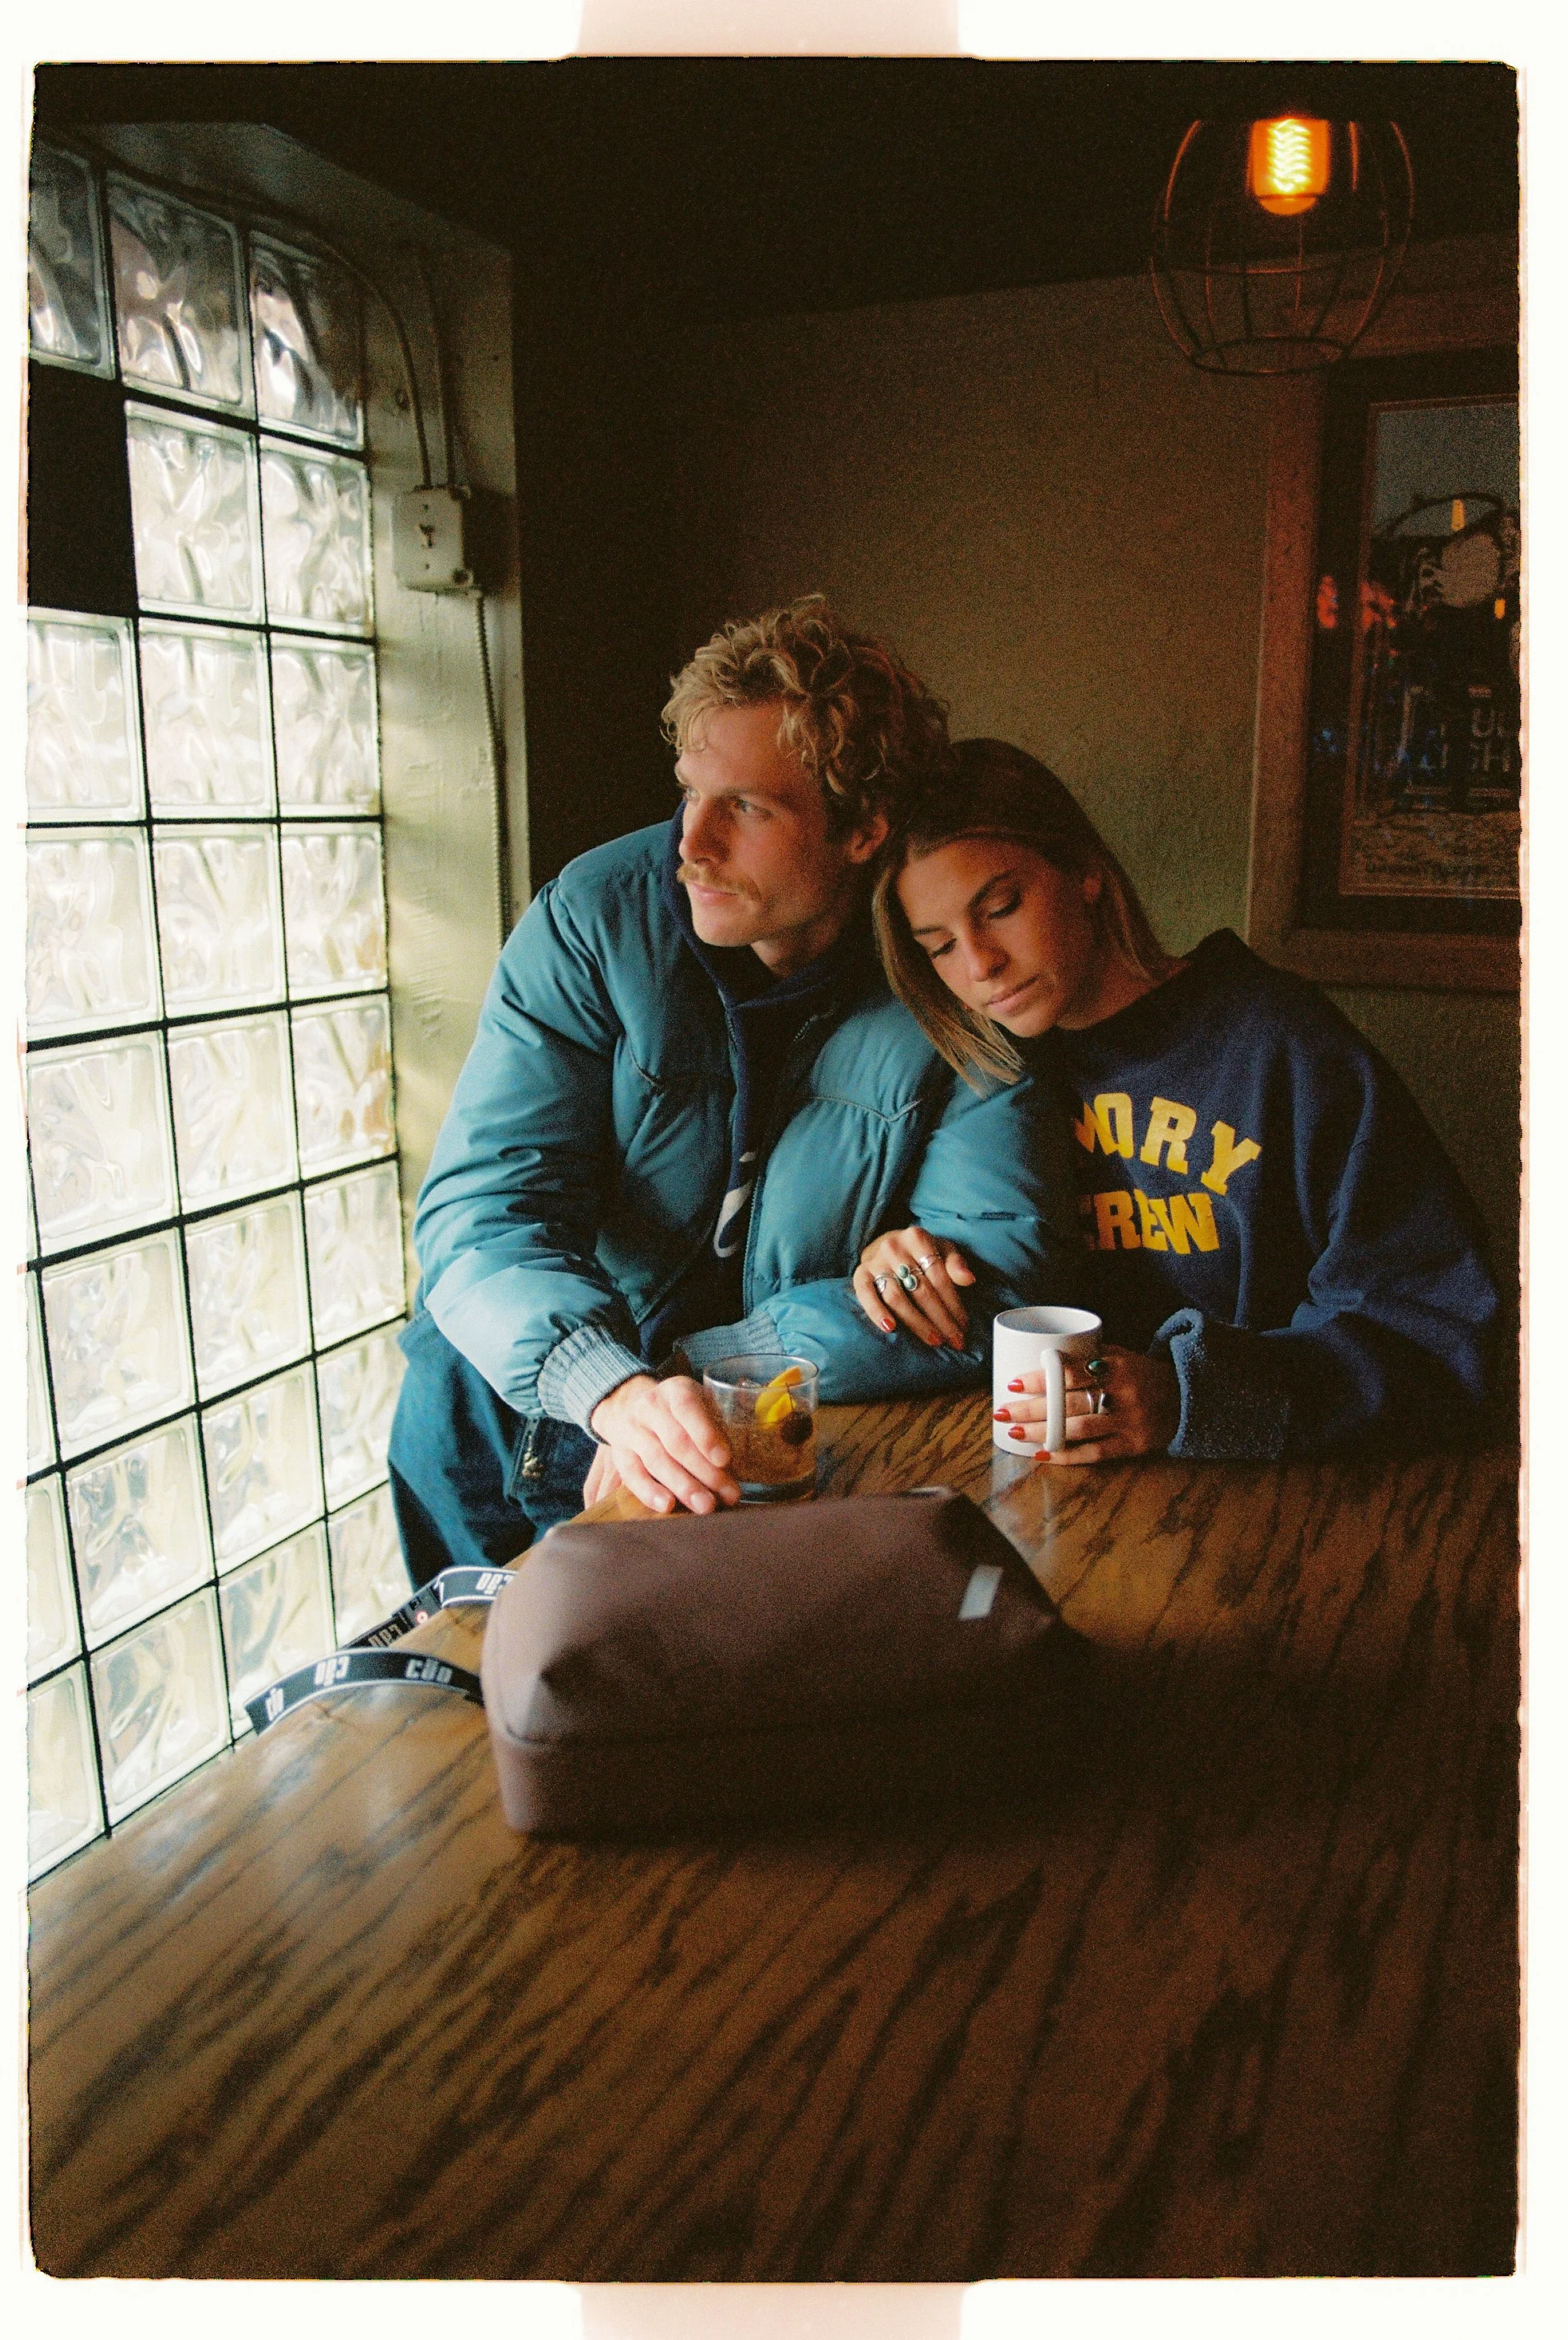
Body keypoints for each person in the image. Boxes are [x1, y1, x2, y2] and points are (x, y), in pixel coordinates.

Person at [387, 612, 1087, 1575]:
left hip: (768, 1444)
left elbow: (997, 1280)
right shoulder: (593, 919)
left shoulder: (951, 965)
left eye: (748, 807)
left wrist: (705, 1368)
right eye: (690, 794)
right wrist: (617, 1389)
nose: (693, 843)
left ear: (864, 829)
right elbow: (479, 1216)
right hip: (506, 1419)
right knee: (464, 1713)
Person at [853, 738, 1500, 1462]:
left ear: (1084, 871)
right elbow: (966, 1272)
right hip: (1035, 1490)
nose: (978, 965)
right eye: (939, 946)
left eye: (1001, 907)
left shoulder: (1279, 1044)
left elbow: (1439, 1332)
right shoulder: (973, 1081)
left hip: (1285, 1499)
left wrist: (1195, 1396)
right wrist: (894, 1255)